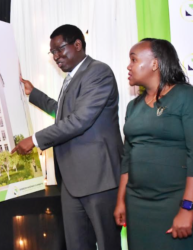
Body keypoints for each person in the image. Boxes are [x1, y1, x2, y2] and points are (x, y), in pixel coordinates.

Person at [12, 24, 123, 250]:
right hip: (72, 184)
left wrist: (33, 140)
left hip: (99, 180)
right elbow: (64, 114)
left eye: (60, 49)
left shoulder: (98, 72)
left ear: (78, 44)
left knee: (107, 244)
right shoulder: (72, 77)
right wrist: (34, 94)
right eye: (52, 52)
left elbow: (79, 121)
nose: (56, 57)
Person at [114, 38, 193, 249]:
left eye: (134, 59)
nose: (128, 66)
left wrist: (188, 208)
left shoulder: (185, 96)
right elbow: (127, 158)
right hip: (137, 205)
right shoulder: (133, 107)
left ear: (155, 63)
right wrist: (121, 201)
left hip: (174, 202)